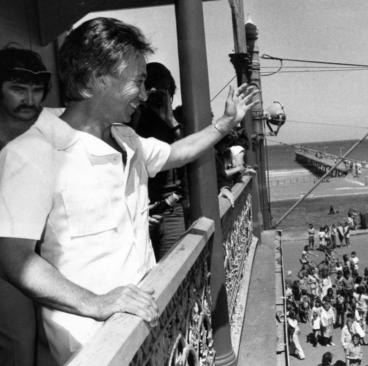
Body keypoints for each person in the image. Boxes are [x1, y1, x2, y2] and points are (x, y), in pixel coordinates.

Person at [0, 17, 257, 364]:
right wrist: (96, 302)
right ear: (96, 79)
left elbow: (177, 153)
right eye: (137, 81)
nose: (145, 93)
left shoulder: (128, 140)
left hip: (148, 335)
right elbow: (13, 258)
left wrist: (224, 124)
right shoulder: (31, 153)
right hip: (92, 349)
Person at [0, 46, 56, 366]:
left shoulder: (47, 134)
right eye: (18, 89)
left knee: (51, 344)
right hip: (5, 265)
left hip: (42, 257)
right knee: (19, 346)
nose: (30, 100)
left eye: (37, 90)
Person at [133, 62, 186, 260]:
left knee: (174, 265)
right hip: (141, 207)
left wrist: (171, 121)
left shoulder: (179, 121)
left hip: (171, 208)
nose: (154, 99)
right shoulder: (131, 118)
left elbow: (195, 155)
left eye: (161, 94)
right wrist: (140, 110)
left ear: (170, 95)